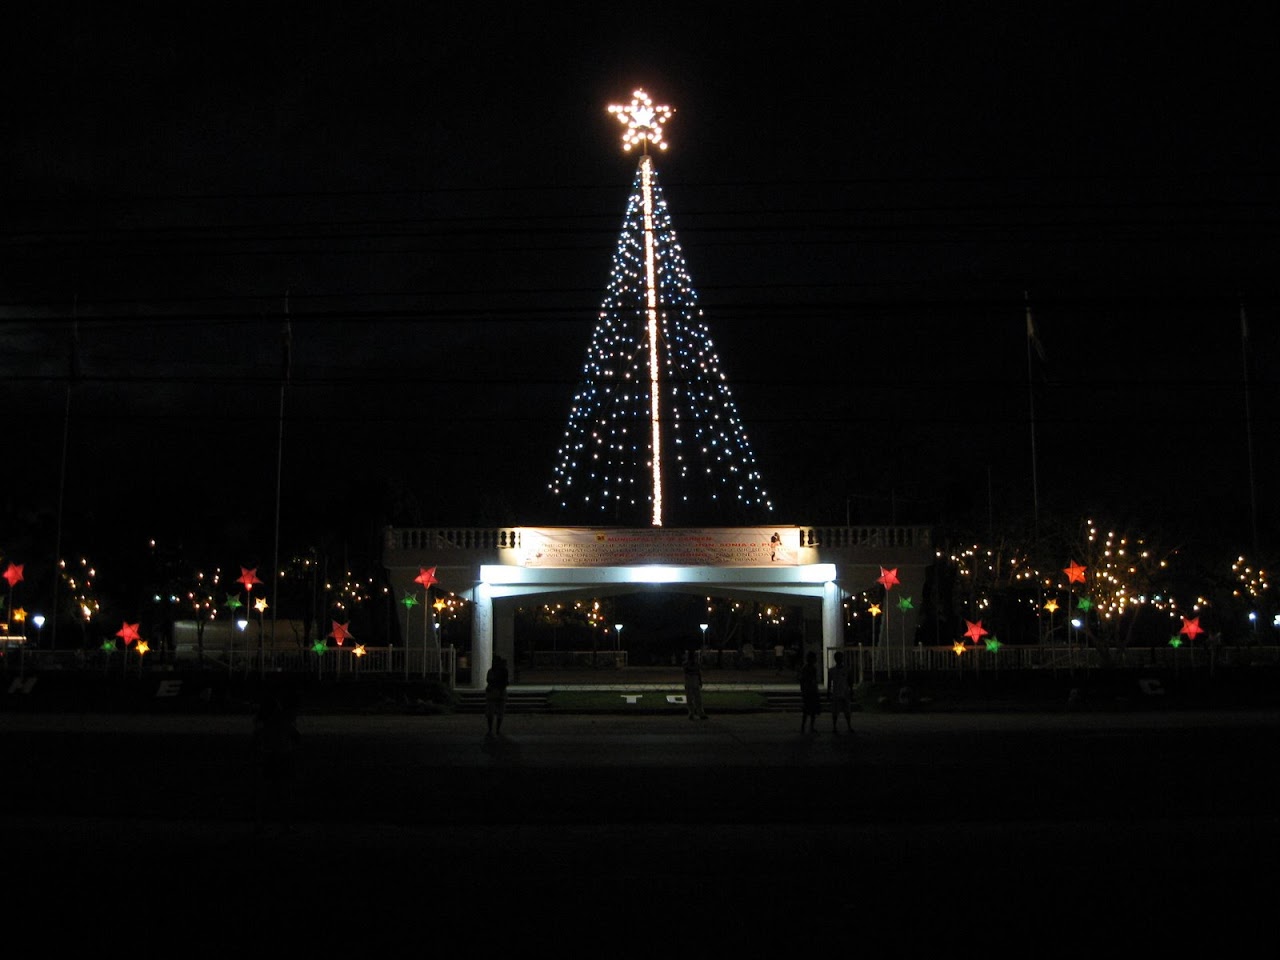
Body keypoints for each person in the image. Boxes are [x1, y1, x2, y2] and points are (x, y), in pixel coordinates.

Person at [253, 690, 301, 832]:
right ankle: (285, 823)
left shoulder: (264, 723)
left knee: (265, 793)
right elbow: (297, 737)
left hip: (269, 757)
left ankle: (260, 822)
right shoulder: (283, 721)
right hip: (283, 757)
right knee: (285, 792)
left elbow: (256, 740)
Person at [827, 651, 854, 733]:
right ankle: (835, 727)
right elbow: (829, 682)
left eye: (840, 657)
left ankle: (849, 726)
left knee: (847, 711)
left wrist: (851, 690)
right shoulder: (832, 671)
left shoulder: (846, 669)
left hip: (845, 692)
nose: (839, 659)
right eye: (837, 658)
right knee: (835, 712)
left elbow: (850, 681)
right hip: (836, 693)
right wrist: (828, 691)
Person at [485, 655, 510, 736]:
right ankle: (494, 729)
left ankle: (494, 729)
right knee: (493, 713)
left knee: (497, 713)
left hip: (496, 693)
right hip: (496, 693)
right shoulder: (496, 671)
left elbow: (490, 681)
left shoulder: (498, 671)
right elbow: (490, 680)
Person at [798, 650, 821, 733]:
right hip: (809, 691)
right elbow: (804, 680)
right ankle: (806, 727)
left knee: (811, 710)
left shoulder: (809, 668)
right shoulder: (807, 668)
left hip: (810, 691)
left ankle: (808, 727)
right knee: (808, 710)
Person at [683, 649, 707, 720]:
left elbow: (696, 672)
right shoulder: (688, 664)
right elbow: (696, 672)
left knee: (695, 698)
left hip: (691, 681)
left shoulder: (687, 664)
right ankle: (695, 713)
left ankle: (695, 713)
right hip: (692, 681)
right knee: (694, 698)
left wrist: (700, 680)